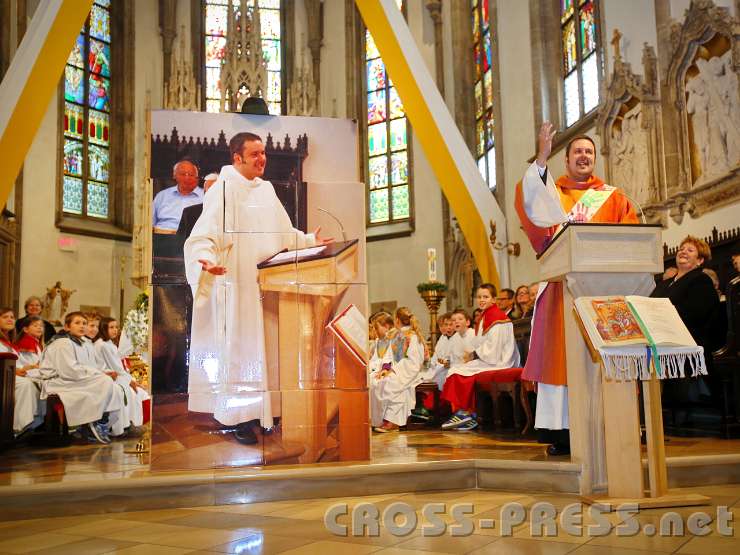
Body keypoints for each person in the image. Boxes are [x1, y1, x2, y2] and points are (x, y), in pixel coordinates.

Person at [184, 132, 331, 445]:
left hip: (267, 287)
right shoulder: (222, 189)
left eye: (263, 153)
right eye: (254, 154)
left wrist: (307, 241)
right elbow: (203, 236)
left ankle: (267, 412)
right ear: (237, 158)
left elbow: (282, 232)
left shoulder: (266, 190)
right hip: (237, 288)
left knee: (267, 351)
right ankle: (238, 418)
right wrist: (205, 260)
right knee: (240, 353)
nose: (262, 159)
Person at [515, 122, 638, 456]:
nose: (584, 156)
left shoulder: (615, 198)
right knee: (562, 357)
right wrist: (542, 155)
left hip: (603, 289)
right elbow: (531, 204)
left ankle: (610, 424)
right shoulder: (553, 193)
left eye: (589, 152)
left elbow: (631, 236)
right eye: (577, 152)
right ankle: (563, 431)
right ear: (566, 160)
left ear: (594, 159)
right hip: (562, 291)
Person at [652, 237, 722, 406]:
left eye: (690, 250)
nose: (683, 251)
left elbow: (695, 314)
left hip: (687, 340)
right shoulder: (665, 283)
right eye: (681, 248)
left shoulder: (701, 280)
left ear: (700, 260)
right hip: (661, 337)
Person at [440, 284, 520, 431]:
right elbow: (481, 342)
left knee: (458, 372)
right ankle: (467, 413)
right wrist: (474, 353)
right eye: (479, 297)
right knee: (456, 370)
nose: (482, 300)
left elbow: (494, 349)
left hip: (500, 361)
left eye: (486, 297)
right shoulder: (486, 315)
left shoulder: (496, 317)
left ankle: (467, 413)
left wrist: (475, 354)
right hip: (490, 358)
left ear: (493, 299)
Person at [39, 312, 124, 444]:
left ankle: (100, 421)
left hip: (73, 379)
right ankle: (96, 421)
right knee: (104, 381)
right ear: (67, 327)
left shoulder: (82, 343)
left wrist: (99, 373)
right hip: (58, 381)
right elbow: (68, 370)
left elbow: (89, 366)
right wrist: (98, 374)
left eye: (84, 323)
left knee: (115, 387)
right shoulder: (63, 343)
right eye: (77, 323)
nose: (82, 326)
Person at [370, 307, 426, 433]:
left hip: (409, 373)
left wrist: (394, 370)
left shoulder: (412, 337)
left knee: (390, 384)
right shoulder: (396, 336)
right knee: (376, 381)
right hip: (396, 371)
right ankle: (377, 419)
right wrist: (385, 369)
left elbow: (414, 363)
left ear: (396, 320)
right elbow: (389, 356)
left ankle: (393, 421)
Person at [95, 317, 150, 433]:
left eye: (116, 327)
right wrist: (130, 381)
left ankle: (130, 423)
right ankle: (120, 427)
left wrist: (130, 380)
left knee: (135, 393)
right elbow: (116, 368)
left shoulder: (109, 344)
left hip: (115, 375)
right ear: (103, 328)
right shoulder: (102, 345)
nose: (115, 330)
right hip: (107, 377)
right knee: (127, 391)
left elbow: (117, 368)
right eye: (111, 327)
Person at [12, 315, 46, 434]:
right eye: (35, 325)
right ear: (25, 329)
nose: (39, 328)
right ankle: (23, 425)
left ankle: (35, 424)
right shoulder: (26, 343)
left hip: (33, 373)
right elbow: (27, 365)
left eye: (41, 326)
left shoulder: (36, 343)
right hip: (23, 374)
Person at [152, 159, 204, 233]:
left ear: (196, 177)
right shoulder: (162, 196)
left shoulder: (205, 197)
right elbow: (149, 223)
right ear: (174, 176)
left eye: (191, 175)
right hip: (161, 236)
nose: (187, 178)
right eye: (183, 174)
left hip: (191, 238)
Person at [177, 173, 220, 237]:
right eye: (210, 189)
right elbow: (179, 241)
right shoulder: (189, 213)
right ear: (205, 192)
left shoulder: (233, 212)